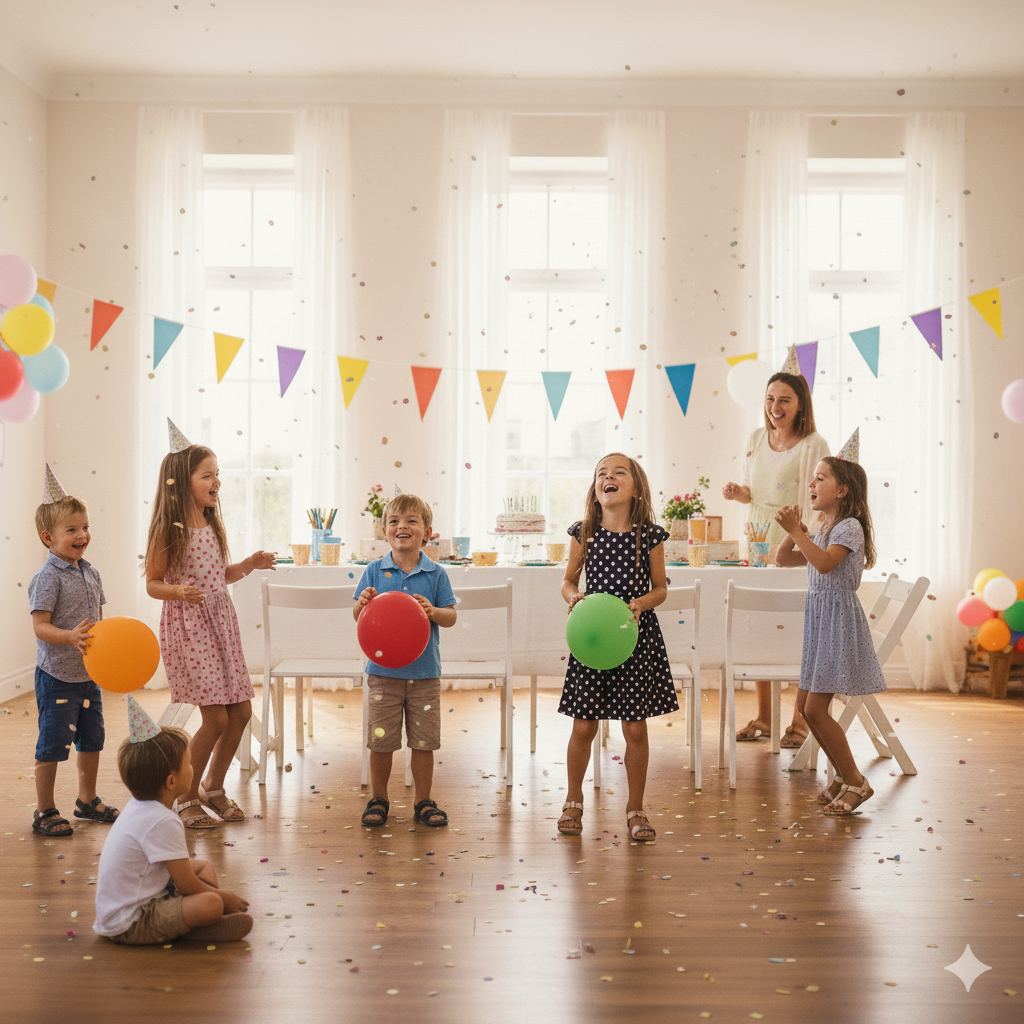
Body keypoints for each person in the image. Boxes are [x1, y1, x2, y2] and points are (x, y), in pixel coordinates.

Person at [145, 420, 275, 829]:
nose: (217, 481)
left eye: (218, 473)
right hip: (191, 628)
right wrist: (177, 592)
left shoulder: (212, 523)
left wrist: (247, 566)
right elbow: (151, 584)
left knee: (240, 711)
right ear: (183, 484)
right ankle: (185, 798)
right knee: (215, 718)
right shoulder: (169, 529)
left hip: (221, 624)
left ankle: (213, 788)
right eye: (208, 475)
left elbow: (220, 575)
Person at [557, 453, 676, 843]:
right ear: (595, 490)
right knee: (583, 724)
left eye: (618, 472)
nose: (608, 478)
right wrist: (575, 597)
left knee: (635, 729)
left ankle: (636, 808)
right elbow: (568, 583)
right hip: (592, 641)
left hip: (634, 641)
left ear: (636, 488)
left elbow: (660, 587)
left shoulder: (650, 535)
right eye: (601, 475)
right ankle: (573, 799)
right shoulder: (584, 532)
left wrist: (642, 603)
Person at [721, 371, 830, 748]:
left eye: (784, 399)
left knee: (799, 628)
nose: (775, 407)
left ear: (800, 404)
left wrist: (806, 542)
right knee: (761, 621)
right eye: (770, 399)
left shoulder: (814, 444)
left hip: (795, 533)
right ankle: (766, 717)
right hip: (757, 535)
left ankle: (800, 721)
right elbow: (754, 489)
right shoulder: (755, 438)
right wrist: (739, 494)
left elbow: (819, 496)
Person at [774, 451, 884, 815]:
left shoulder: (848, 527)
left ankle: (856, 780)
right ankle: (840, 777)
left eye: (821, 478)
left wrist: (796, 532)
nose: (811, 484)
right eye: (813, 478)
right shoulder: (823, 528)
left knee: (816, 709)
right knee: (807, 708)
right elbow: (783, 560)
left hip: (837, 621)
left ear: (842, 490)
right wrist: (797, 533)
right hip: (820, 621)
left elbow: (823, 565)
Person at [93, 695, 252, 943]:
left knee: (205, 867)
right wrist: (224, 897)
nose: (192, 768)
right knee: (210, 902)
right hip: (132, 921)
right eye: (189, 764)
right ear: (171, 781)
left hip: (130, 904)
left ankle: (191, 922)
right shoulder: (162, 821)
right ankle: (198, 926)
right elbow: (188, 885)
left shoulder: (140, 807)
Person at [353, 493, 457, 829]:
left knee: (423, 741)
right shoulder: (373, 570)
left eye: (412, 521)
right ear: (384, 531)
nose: (403, 526)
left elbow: (451, 616)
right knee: (381, 740)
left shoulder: (436, 573)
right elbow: (358, 617)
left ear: (427, 532)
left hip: (425, 674)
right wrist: (363, 603)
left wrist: (432, 611)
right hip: (383, 674)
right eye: (395, 521)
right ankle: (379, 797)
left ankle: (423, 800)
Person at [28, 465, 119, 837]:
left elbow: (98, 622)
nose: (82, 535)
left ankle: (87, 800)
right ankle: (45, 809)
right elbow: (40, 626)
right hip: (57, 677)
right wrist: (69, 638)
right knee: (52, 743)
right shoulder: (47, 577)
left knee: (92, 739)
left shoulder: (91, 572)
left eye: (84, 527)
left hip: (88, 676)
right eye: (72, 530)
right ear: (48, 538)